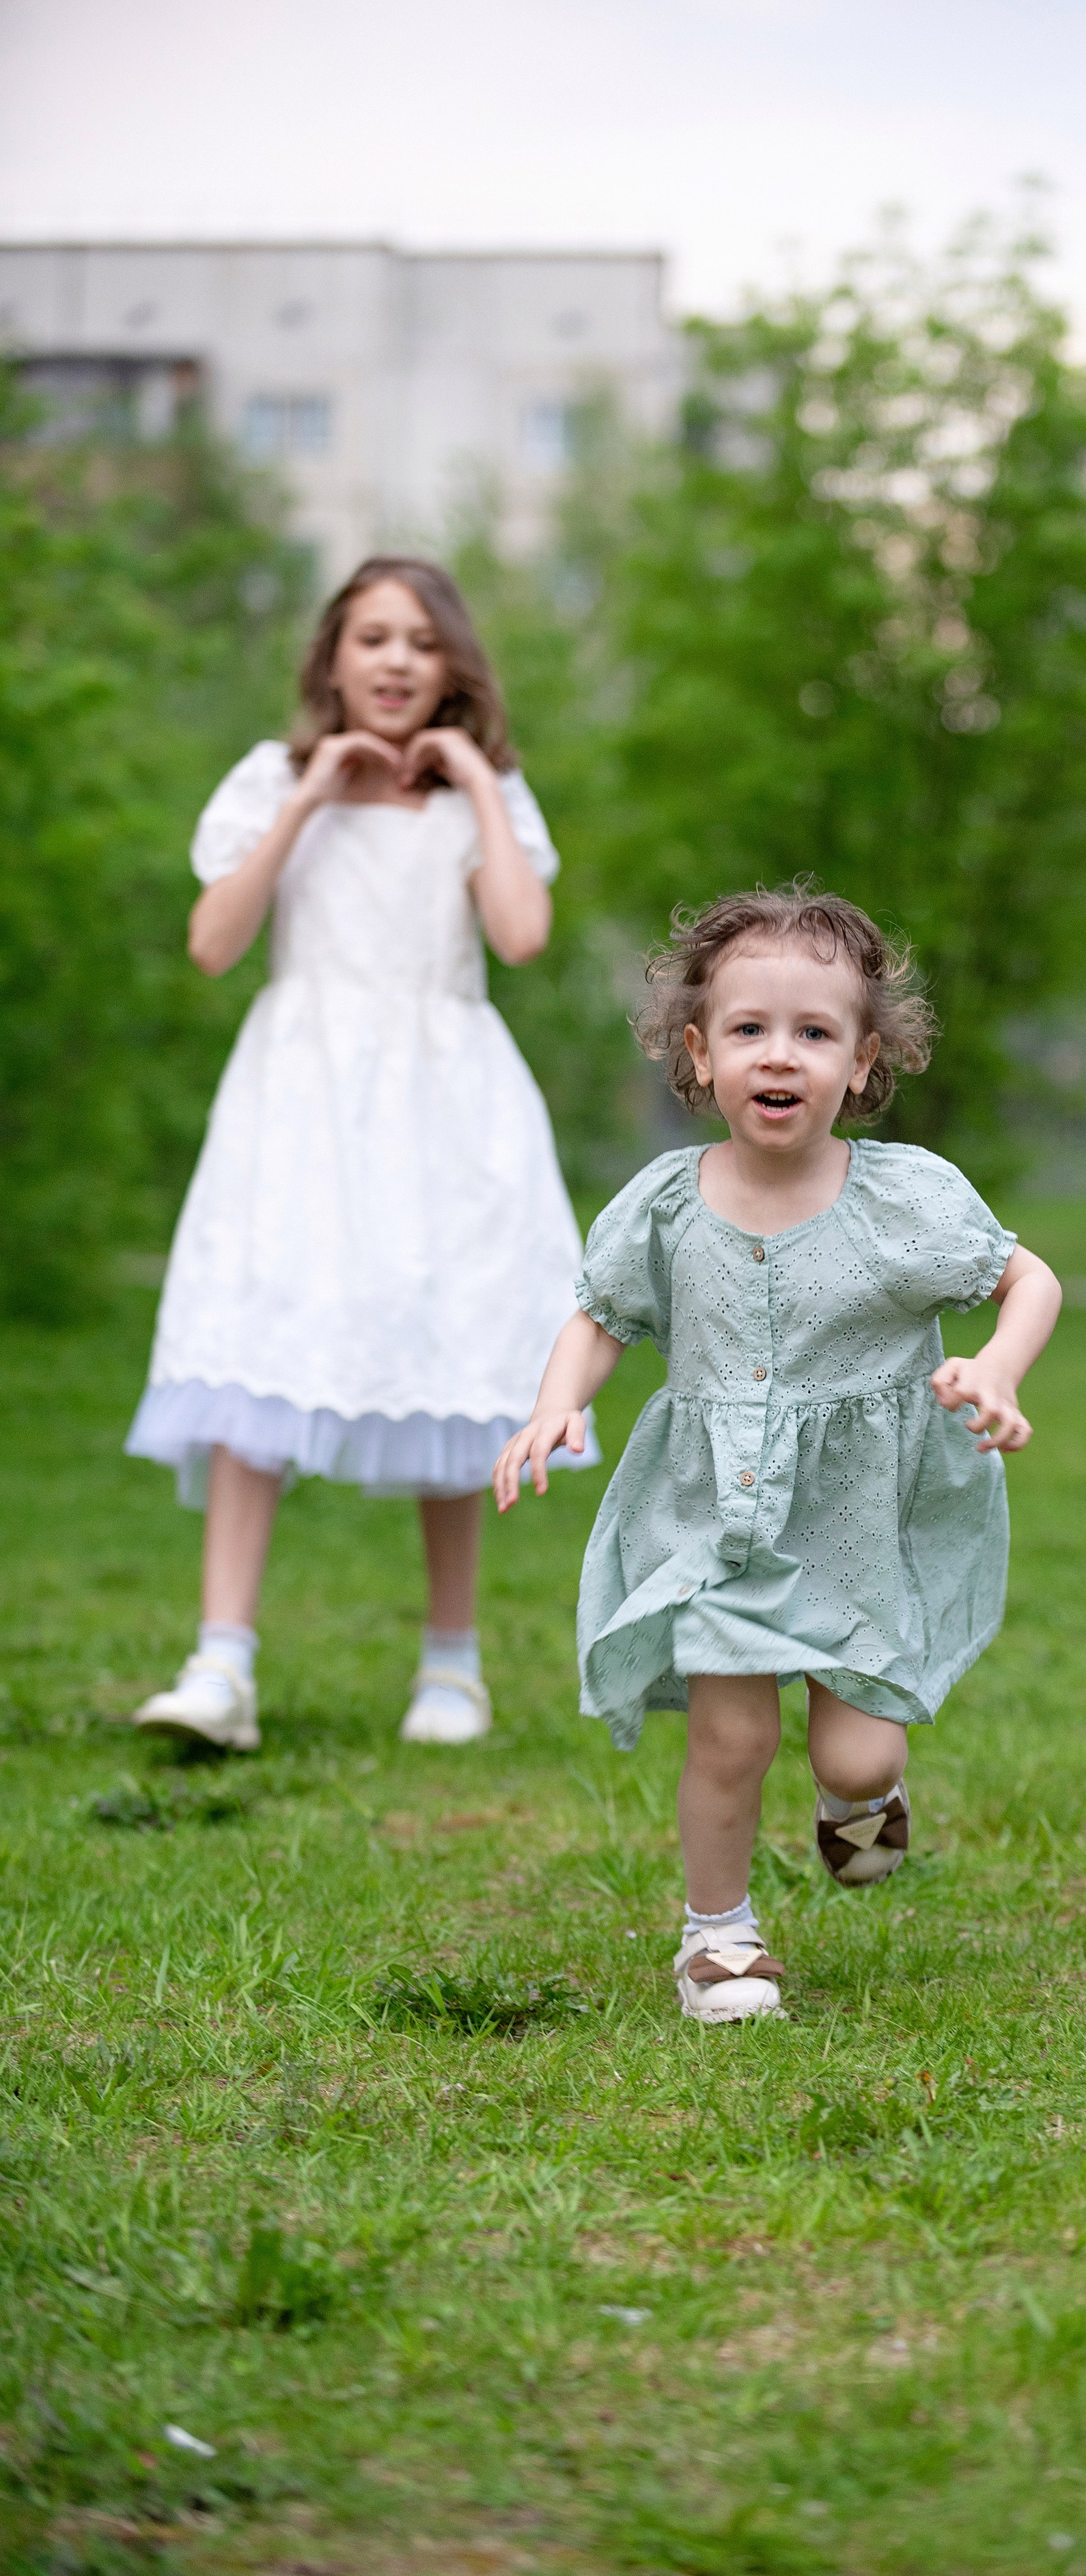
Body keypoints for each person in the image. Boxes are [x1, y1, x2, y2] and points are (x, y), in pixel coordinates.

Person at [494, 882, 1061, 2022]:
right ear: (698, 1054)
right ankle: (720, 1939)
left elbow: (1027, 1278)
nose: (779, 1055)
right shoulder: (666, 1205)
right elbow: (600, 1317)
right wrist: (556, 1403)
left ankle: (863, 1801)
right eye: (750, 1030)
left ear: (862, 1064)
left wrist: (995, 1368)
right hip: (719, 1520)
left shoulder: (905, 1200)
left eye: (815, 1032)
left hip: (863, 1522)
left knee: (850, 1757)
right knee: (733, 1729)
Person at [128, 556, 595, 1753]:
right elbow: (214, 943)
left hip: (446, 1100)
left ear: (454, 667)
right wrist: (310, 798)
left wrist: (477, 784)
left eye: (421, 642)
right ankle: (221, 1662)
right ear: (332, 657)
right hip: (302, 1095)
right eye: (372, 637)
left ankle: (453, 1666)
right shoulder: (273, 780)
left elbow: (522, 934)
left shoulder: (484, 796)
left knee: (446, 1339)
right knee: (258, 1335)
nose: (396, 661)